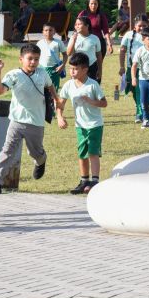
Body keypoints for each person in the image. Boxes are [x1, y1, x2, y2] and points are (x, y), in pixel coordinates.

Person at [0, 44, 59, 195]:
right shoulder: (14, 75)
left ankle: (41, 161)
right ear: (21, 59)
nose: (33, 62)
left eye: (36, 59)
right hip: (17, 121)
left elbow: (50, 86)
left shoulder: (42, 74)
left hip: (36, 122)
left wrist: (56, 99)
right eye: (30, 59)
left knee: (36, 153)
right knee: (7, 152)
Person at [57, 52, 108, 194]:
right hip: (80, 126)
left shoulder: (93, 85)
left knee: (93, 152)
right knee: (82, 153)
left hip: (94, 125)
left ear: (85, 69)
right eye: (70, 68)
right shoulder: (68, 85)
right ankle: (84, 180)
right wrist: (60, 117)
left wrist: (91, 101)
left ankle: (95, 181)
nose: (71, 71)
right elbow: (60, 103)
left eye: (75, 69)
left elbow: (104, 103)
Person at [119, 13, 148, 123]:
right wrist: (122, 66)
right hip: (131, 68)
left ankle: (140, 113)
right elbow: (122, 51)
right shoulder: (128, 35)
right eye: (139, 25)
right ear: (135, 26)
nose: (142, 28)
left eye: (144, 25)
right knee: (132, 90)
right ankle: (139, 108)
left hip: (145, 69)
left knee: (140, 90)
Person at [66, 16, 103, 83]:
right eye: (76, 24)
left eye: (79, 24)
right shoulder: (73, 37)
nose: (77, 26)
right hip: (77, 67)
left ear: (87, 25)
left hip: (91, 67)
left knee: (91, 87)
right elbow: (68, 53)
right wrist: (74, 40)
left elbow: (99, 55)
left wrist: (100, 70)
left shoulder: (95, 38)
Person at [37, 22, 67, 90]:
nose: (48, 32)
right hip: (42, 68)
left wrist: (62, 65)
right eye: (46, 30)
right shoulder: (40, 43)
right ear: (43, 32)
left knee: (53, 88)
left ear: (54, 32)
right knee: (42, 88)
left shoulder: (58, 42)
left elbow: (65, 54)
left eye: (50, 30)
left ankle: (53, 100)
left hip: (55, 69)